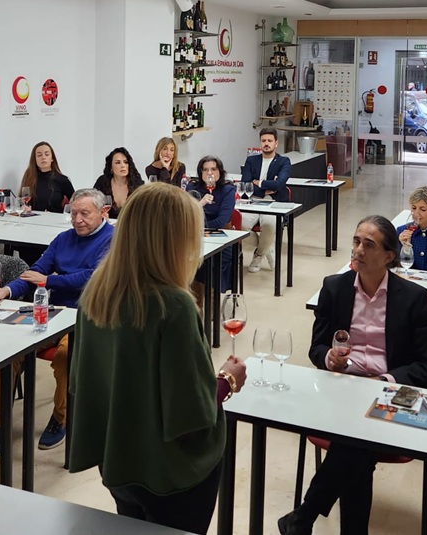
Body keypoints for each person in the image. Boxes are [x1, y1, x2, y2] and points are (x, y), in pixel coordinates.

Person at [68, 182, 247, 533]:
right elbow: (192, 410)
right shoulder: (173, 306)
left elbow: (82, 383)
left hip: (119, 461)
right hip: (171, 471)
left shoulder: (95, 295)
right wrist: (227, 380)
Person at [278, 215, 427, 535]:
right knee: (358, 446)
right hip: (343, 389)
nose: (358, 250)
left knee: (355, 443)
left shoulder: (413, 298)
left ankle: (303, 516)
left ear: (389, 256)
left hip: (389, 392)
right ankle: (307, 521)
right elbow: (316, 348)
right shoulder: (334, 288)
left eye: (369, 244)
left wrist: (383, 382)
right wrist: (329, 359)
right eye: (356, 241)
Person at [0, 188, 115, 476]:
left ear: (103, 212)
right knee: (7, 352)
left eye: (84, 214)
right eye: (73, 213)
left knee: (67, 356)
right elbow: (34, 273)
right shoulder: (63, 239)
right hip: (51, 311)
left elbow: (94, 277)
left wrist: (49, 281)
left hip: (88, 316)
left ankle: (62, 418)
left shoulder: (112, 239)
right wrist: (6, 291)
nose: (77, 220)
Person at [240, 128, 291, 273]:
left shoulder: (283, 161)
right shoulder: (251, 160)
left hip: (274, 201)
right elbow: (246, 184)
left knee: (269, 225)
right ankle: (268, 247)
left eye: (269, 141)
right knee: (240, 224)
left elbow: (279, 184)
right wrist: (266, 188)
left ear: (276, 143)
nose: (266, 144)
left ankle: (258, 255)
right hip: (253, 199)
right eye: (263, 141)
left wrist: (259, 182)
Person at [187, 155, 236, 296]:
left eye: (213, 169)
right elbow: (186, 215)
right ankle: (193, 296)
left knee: (215, 259)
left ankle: (213, 297)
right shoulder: (192, 188)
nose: (209, 173)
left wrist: (198, 226)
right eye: (205, 170)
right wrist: (200, 204)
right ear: (200, 172)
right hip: (195, 235)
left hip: (221, 235)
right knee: (187, 257)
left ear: (220, 172)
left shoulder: (228, 190)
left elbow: (221, 222)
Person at [19, 141, 75, 213]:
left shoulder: (62, 180)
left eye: (47, 154)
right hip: (32, 218)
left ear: (52, 158)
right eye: (39, 155)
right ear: (35, 159)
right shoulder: (29, 177)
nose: (43, 157)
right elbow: (21, 201)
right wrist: (24, 208)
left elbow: (76, 203)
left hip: (55, 219)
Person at [94, 147, 143, 219]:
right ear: (111, 167)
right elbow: (93, 205)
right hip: (108, 224)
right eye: (118, 163)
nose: (123, 165)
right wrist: (100, 215)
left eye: (126, 162)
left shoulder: (138, 184)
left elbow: (144, 211)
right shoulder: (102, 182)